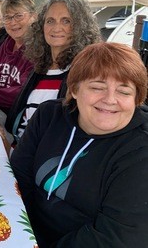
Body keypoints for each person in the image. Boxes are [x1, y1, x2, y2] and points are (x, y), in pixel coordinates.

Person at [10, 42, 148, 247]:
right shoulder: (48, 116)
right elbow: (19, 177)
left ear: (137, 98)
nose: (110, 99)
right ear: (74, 89)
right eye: (97, 87)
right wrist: (19, 232)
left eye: (124, 91)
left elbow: (117, 236)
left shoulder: (140, 151)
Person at [1, 0, 101, 148]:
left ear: (80, 26)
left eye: (66, 21)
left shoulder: (83, 74)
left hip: (36, 163)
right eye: (50, 21)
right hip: (19, 146)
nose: (56, 27)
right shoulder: (40, 70)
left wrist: (9, 150)